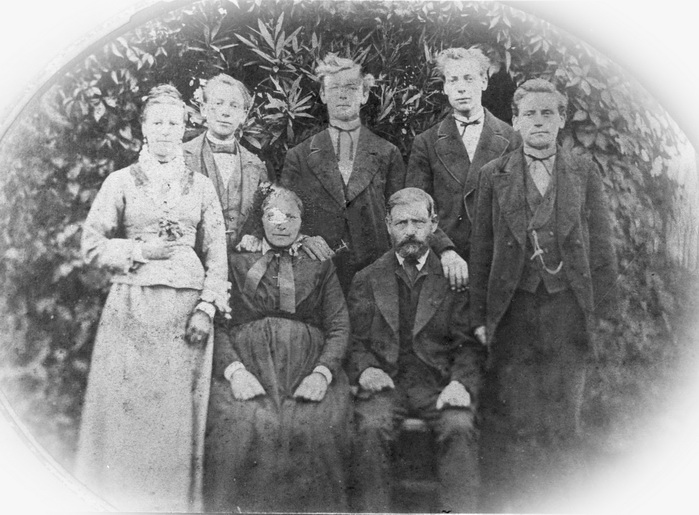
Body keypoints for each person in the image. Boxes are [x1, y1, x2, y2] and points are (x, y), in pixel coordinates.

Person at [75, 84, 229, 512]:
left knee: (174, 417)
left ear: (184, 128)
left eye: (173, 123)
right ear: (143, 127)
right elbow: (92, 244)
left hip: (185, 314)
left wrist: (207, 307)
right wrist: (140, 250)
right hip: (132, 308)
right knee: (127, 412)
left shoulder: (201, 186)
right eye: (157, 122)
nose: (165, 130)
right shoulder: (120, 181)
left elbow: (217, 252)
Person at [469, 78, 618, 511]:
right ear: (515, 121)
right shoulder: (493, 175)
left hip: (568, 309)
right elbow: (481, 251)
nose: (539, 121)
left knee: (565, 419)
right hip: (513, 310)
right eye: (529, 114)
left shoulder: (583, 171)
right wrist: (480, 318)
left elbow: (602, 246)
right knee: (518, 419)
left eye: (547, 113)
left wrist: (604, 315)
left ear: (561, 120)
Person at [203, 185, 352, 513]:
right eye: (272, 216)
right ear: (261, 220)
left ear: (301, 222)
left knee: (314, 428)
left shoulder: (319, 264)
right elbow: (219, 324)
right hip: (250, 367)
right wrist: (235, 372)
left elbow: (339, 326)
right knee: (241, 424)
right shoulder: (238, 260)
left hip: (306, 367)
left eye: (290, 217)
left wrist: (322, 374)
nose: (281, 224)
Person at [347, 187, 486, 512]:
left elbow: (468, 343)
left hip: (438, 383)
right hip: (387, 384)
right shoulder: (367, 278)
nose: (410, 231)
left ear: (433, 224)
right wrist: (366, 369)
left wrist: (460, 383)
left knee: (459, 426)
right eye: (401, 223)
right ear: (388, 225)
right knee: (370, 427)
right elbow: (353, 340)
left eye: (418, 222)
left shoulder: (453, 278)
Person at [277, 53, 406, 294]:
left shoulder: (388, 153)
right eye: (334, 88)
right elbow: (282, 213)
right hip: (318, 273)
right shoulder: (299, 155)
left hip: (376, 273)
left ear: (364, 95)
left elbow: (400, 216)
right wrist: (302, 238)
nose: (343, 94)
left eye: (351, 88)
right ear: (323, 95)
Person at [406, 47, 520, 275]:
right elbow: (416, 208)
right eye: (453, 80)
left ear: (484, 81)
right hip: (445, 264)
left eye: (469, 78)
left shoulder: (512, 139)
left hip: (498, 262)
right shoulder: (426, 142)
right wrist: (445, 251)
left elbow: (519, 207)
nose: (461, 87)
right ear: (445, 87)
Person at [184, 73, 269, 249]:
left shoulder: (256, 165)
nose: (225, 112)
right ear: (204, 109)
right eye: (218, 103)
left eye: (234, 106)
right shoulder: (181, 157)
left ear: (244, 115)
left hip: (241, 259)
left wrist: (255, 236)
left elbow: (264, 216)